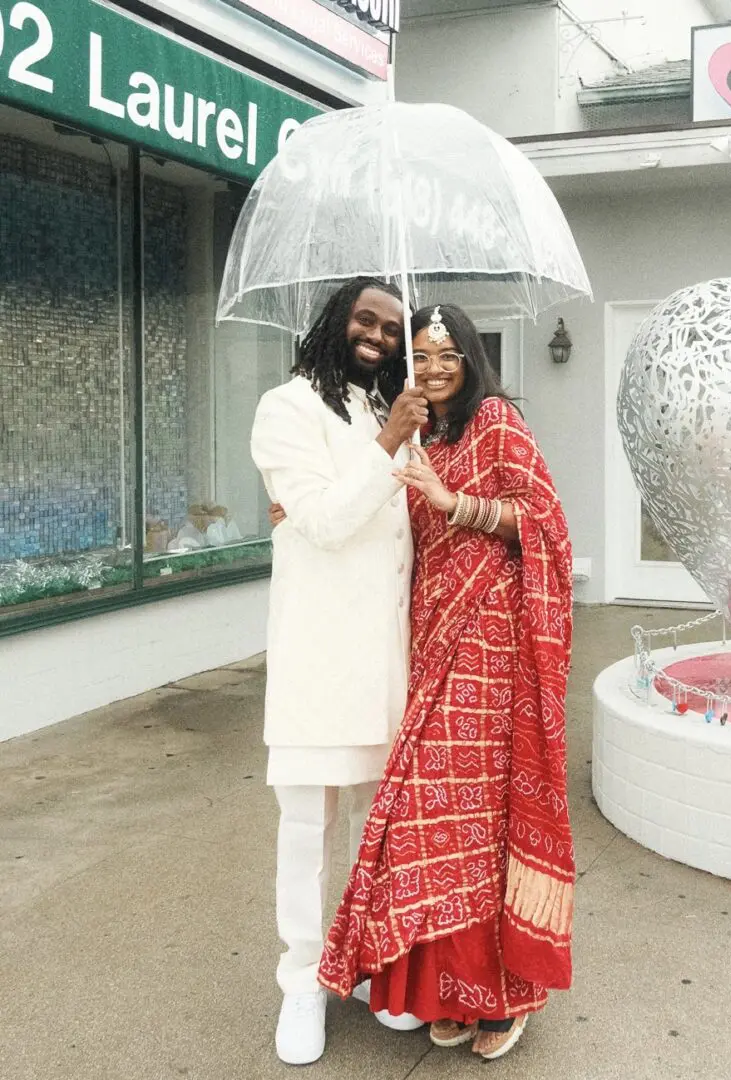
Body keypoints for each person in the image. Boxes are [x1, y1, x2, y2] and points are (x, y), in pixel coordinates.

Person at [314, 303, 577, 1060]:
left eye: (445, 356)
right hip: (427, 642)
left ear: (469, 360)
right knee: (437, 816)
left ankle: (502, 995)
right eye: (419, 358)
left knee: (478, 813)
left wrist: (453, 502)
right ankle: (443, 989)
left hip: (490, 643)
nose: (431, 369)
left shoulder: (496, 421)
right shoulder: (416, 433)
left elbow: (547, 524)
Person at [250, 277, 429, 1066]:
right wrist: (388, 442)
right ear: (335, 321)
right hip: (320, 660)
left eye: (393, 329)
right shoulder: (285, 408)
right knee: (306, 829)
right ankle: (300, 981)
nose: (380, 337)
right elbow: (320, 520)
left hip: (389, 661)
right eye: (367, 319)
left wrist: (399, 437)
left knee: (378, 828)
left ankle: (363, 966)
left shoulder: (382, 409)